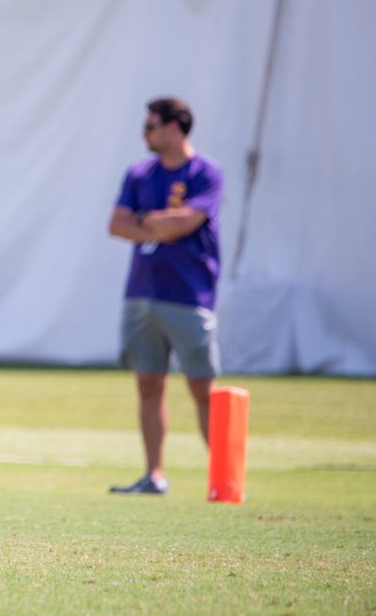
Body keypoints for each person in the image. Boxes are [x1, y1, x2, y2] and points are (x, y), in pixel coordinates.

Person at [107, 98, 223, 496]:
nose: (145, 133)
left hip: (189, 295)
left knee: (202, 389)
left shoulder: (206, 173)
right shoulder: (139, 173)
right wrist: (156, 224)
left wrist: (149, 222)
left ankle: (224, 477)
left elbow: (186, 222)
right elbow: (117, 225)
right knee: (148, 385)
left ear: (175, 127)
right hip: (141, 293)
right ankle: (154, 475)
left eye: (151, 126)